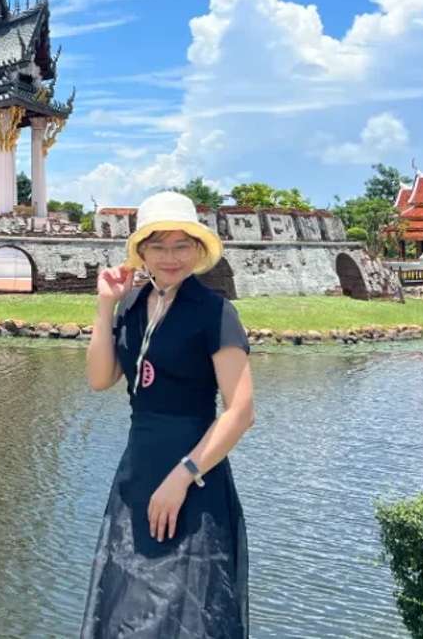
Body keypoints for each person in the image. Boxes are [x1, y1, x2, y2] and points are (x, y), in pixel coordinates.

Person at [79, 190, 256, 638]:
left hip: (193, 479)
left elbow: (241, 411)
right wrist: (105, 306)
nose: (170, 257)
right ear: (140, 252)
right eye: (158, 246)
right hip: (137, 476)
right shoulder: (133, 304)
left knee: (188, 616)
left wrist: (183, 477)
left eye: (181, 246)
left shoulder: (214, 312)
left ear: (198, 251)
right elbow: (101, 379)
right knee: (127, 615)